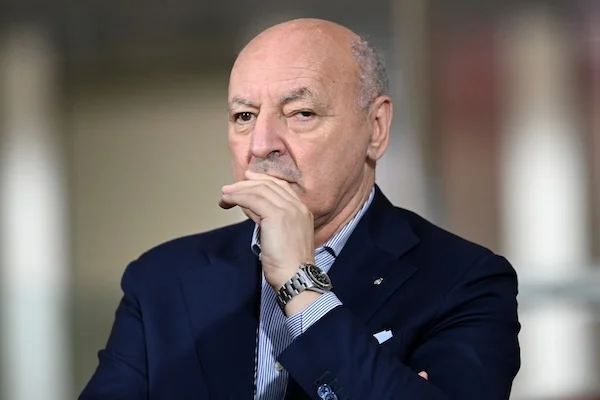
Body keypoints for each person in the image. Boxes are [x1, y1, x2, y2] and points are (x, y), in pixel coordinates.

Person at [79, 18, 520, 400]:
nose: (261, 145)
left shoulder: (465, 282)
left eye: (301, 113)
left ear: (376, 128)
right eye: (244, 116)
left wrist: (299, 282)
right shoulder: (162, 279)